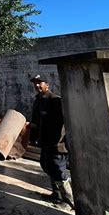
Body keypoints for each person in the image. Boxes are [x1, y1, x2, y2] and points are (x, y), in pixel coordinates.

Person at [30, 74, 74, 207]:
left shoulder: (55, 100)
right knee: (46, 166)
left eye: (40, 82)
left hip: (56, 143)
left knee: (58, 170)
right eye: (35, 83)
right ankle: (57, 194)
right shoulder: (38, 100)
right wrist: (33, 137)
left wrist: (60, 140)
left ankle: (69, 200)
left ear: (47, 85)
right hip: (44, 142)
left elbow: (65, 122)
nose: (37, 85)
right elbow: (35, 122)